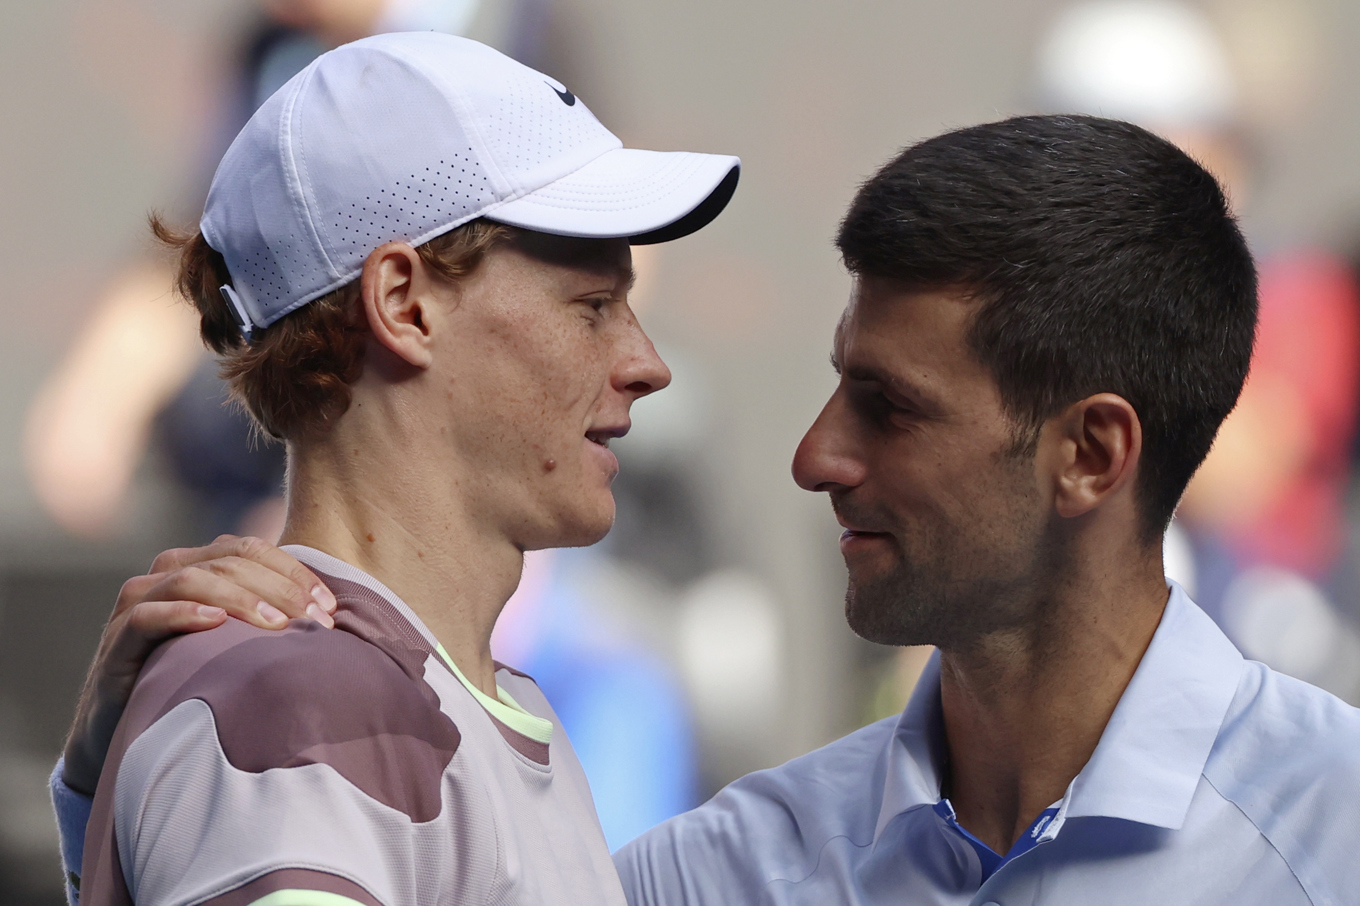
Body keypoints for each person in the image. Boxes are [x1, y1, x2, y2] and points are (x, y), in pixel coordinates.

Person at [56, 116, 1360, 903]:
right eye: (584, 300)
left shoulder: (1335, 827)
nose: (814, 457)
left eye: (887, 407)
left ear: (1092, 455)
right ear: (399, 308)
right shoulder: (730, 866)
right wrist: (115, 794)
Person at [51, 30, 739, 906]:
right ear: (404, 304)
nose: (648, 363)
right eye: (593, 306)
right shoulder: (306, 703)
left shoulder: (402, 695)